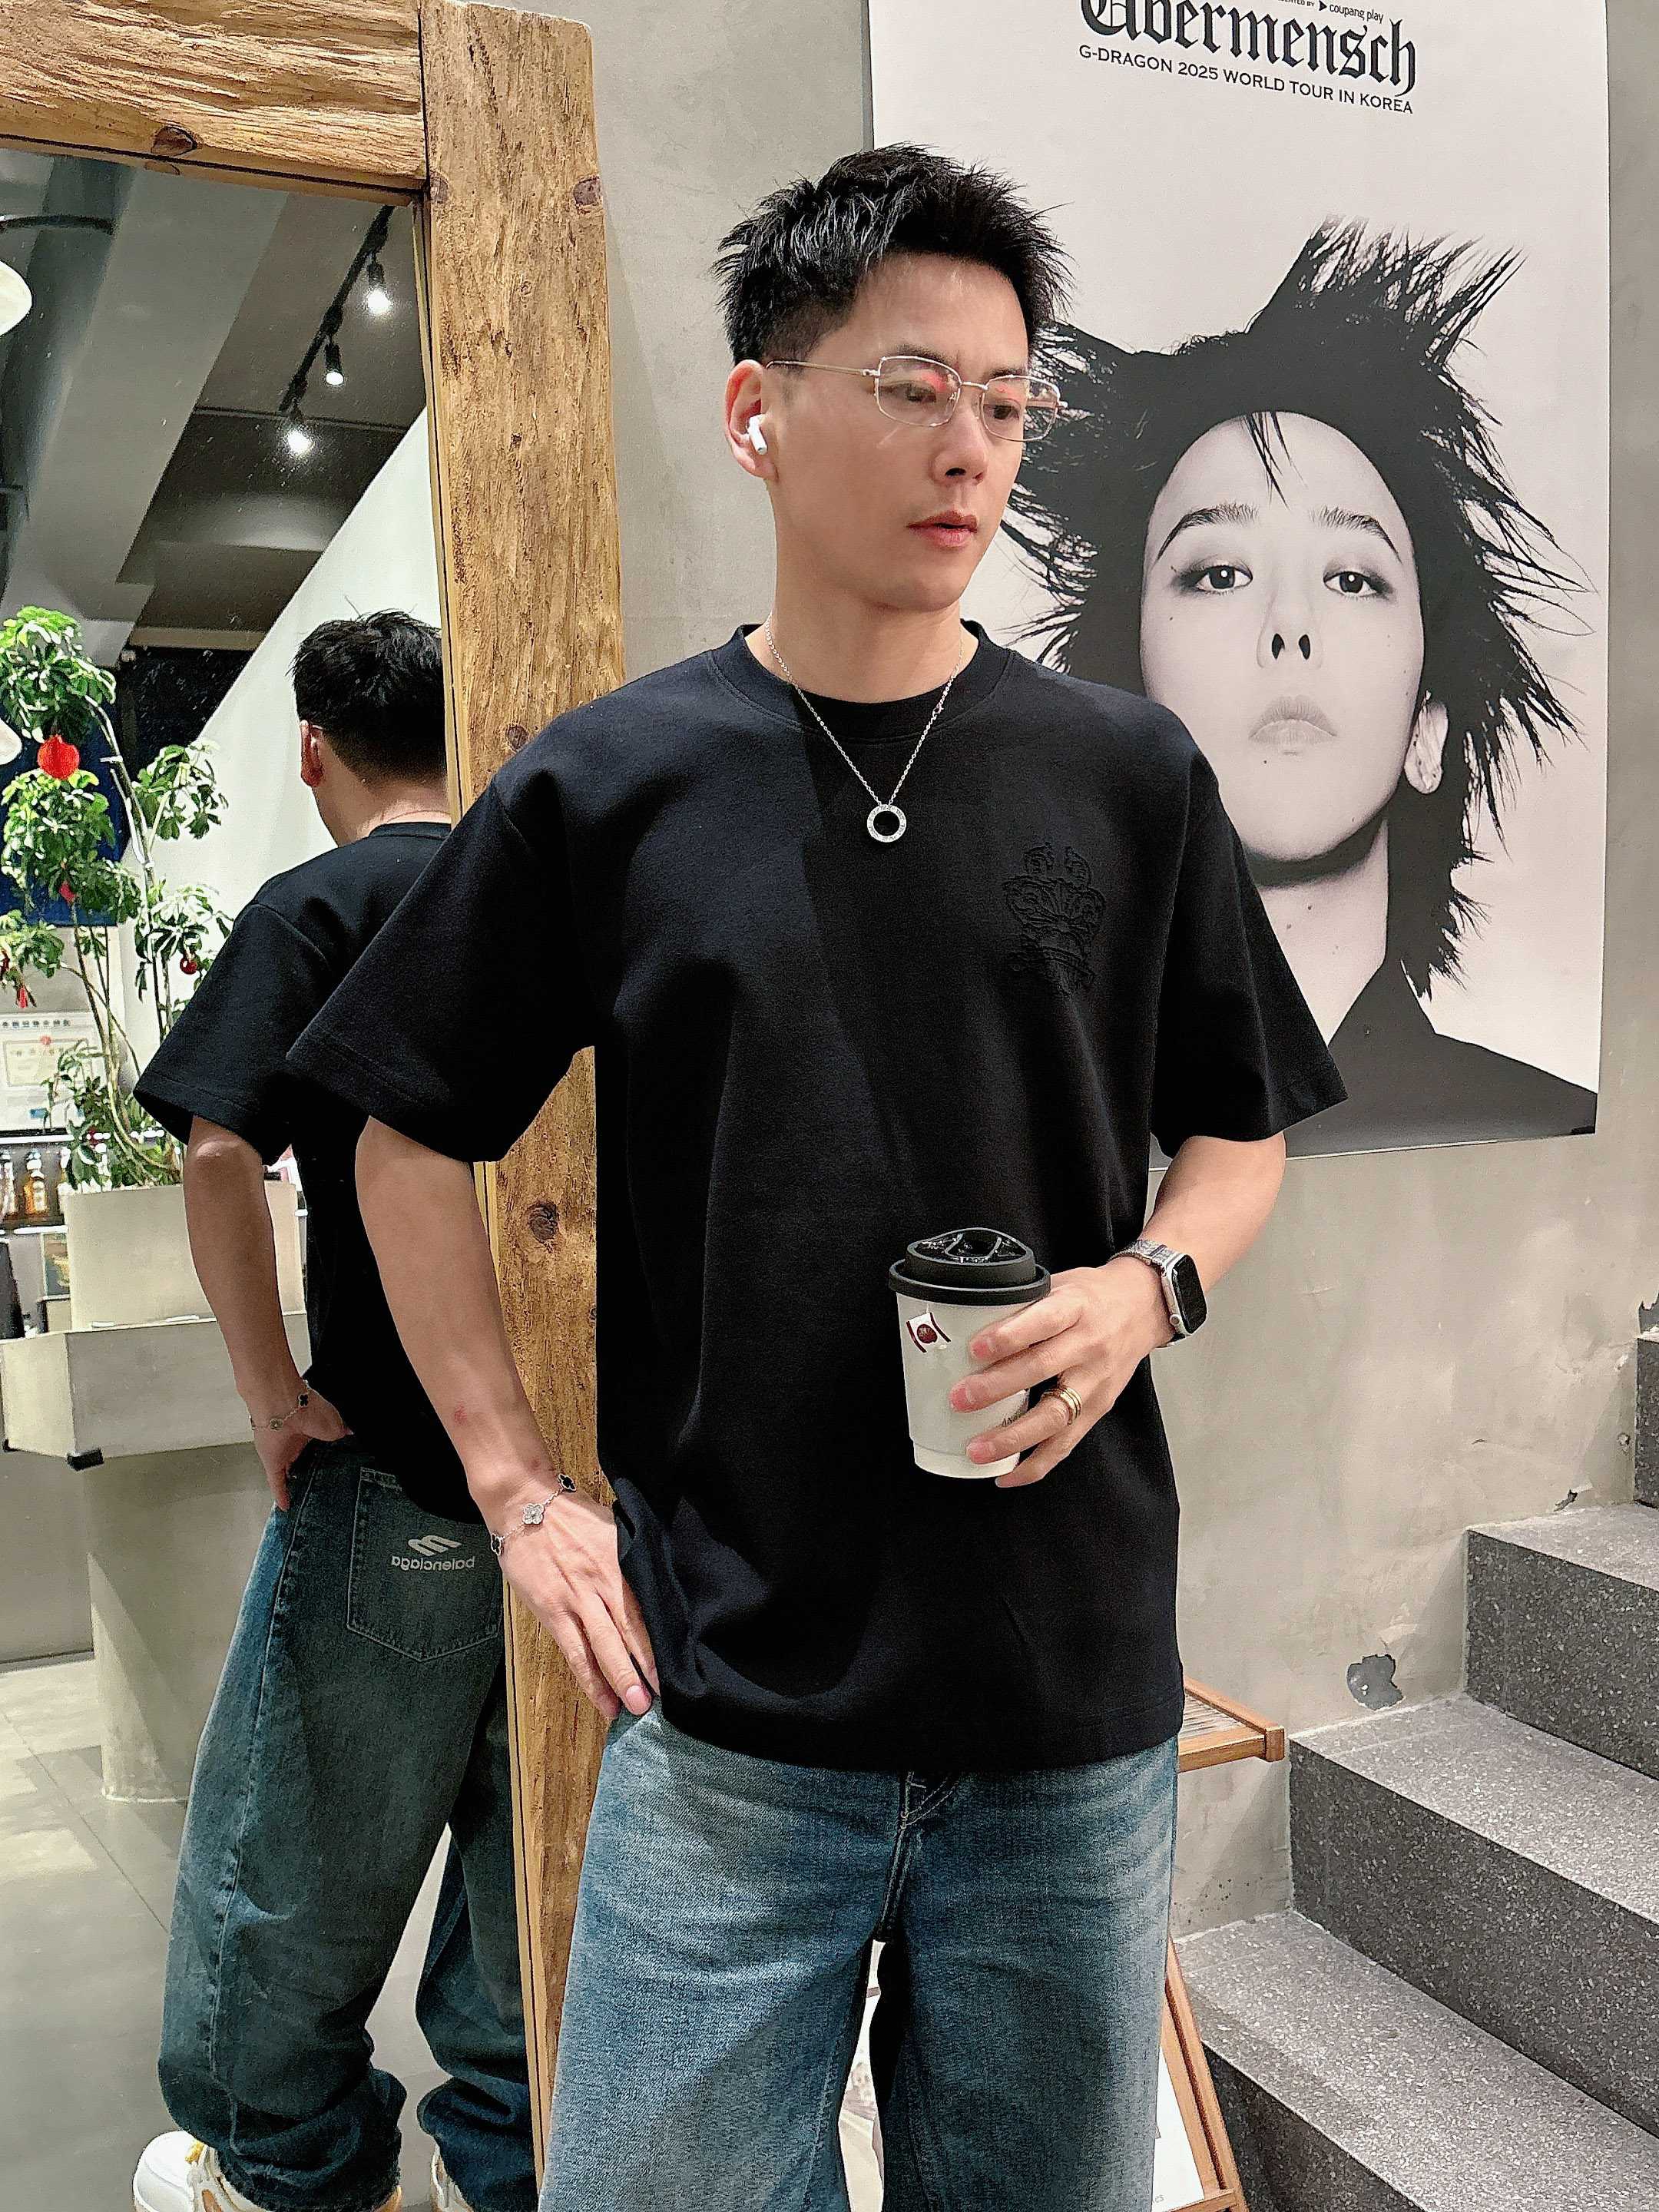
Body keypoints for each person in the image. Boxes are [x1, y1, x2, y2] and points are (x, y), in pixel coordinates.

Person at [286, 147, 1346, 2212]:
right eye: (912, 388)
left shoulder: (1125, 774)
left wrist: (1142, 1290)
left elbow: (1241, 1132)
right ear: (757, 412)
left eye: (1007, 402)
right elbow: (401, 1127)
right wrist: (514, 1492)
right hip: (731, 1708)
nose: (972, 449)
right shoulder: (613, 784)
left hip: (1062, 1707)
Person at [130, 613, 534, 2212]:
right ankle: (511, 2172)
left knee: (284, 1886)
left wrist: (271, 1395)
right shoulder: (540, 897)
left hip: (398, 1476)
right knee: (526, 1902)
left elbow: (220, 1149)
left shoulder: (318, 905)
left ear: (314, 750)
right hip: (582, 1495)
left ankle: (292, 2178)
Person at [1003, 220, 1598, 1155]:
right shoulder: (1024, 1144)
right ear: (1124, 705)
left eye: (1353, 579)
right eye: (1218, 574)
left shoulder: (1543, 1127)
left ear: (1428, 731)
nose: (1290, 624)